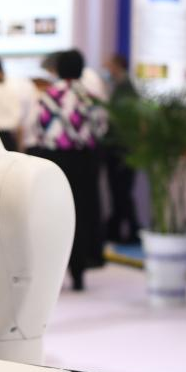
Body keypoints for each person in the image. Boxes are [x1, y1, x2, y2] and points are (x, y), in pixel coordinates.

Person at [29, 49, 107, 290]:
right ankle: (80, 271)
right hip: (85, 161)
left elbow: (36, 127)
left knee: (55, 214)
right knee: (83, 213)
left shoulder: (48, 95)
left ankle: (54, 273)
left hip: (55, 161)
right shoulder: (90, 96)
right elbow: (101, 128)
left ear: (59, 68)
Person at [102, 53, 140, 243]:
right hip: (119, 149)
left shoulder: (126, 90)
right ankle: (117, 230)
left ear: (117, 66)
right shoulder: (120, 88)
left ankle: (132, 231)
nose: (106, 68)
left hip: (122, 149)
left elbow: (123, 121)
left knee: (121, 191)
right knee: (118, 192)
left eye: (109, 65)